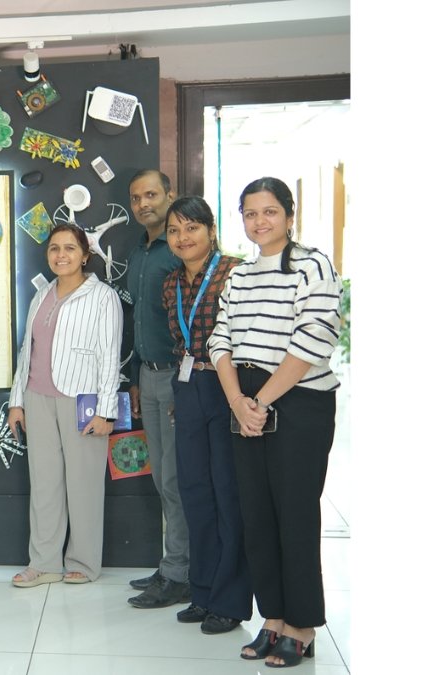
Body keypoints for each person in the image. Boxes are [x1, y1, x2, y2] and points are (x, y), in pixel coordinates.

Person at [209, 177, 341, 668]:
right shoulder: (240, 274)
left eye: (269, 211)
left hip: (298, 402)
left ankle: (302, 624)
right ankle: (274, 617)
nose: (259, 221)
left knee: (295, 515)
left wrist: (259, 402)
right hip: (245, 401)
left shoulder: (312, 265)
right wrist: (238, 402)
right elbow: (220, 339)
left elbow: (313, 340)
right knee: (257, 516)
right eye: (250, 213)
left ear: (289, 214)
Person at [7, 224, 122, 587]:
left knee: (84, 485)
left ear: (85, 255)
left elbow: (109, 356)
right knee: (44, 485)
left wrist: (106, 411)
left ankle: (84, 563)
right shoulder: (41, 294)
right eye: (54, 248)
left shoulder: (103, 296)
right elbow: (27, 351)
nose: (61, 255)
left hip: (82, 400)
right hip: (38, 398)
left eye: (70, 248)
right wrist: (16, 402)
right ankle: (43, 563)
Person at [159, 196, 251, 635]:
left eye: (191, 227)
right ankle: (203, 591)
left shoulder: (236, 272)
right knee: (194, 491)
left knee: (228, 492)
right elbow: (179, 341)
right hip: (188, 387)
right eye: (174, 230)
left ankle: (229, 602)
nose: (183, 238)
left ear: (211, 230)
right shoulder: (170, 282)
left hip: (227, 387)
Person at [125, 170, 191, 609]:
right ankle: (173, 564)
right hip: (147, 376)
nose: (143, 203)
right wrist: (134, 379)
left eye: (151, 194)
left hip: (176, 377)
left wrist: (185, 387)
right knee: (160, 478)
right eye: (136, 198)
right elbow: (139, 322)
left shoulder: (180, 250)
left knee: (175, 479)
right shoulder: (139, 253)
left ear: (170, 195)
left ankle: (180, 573)